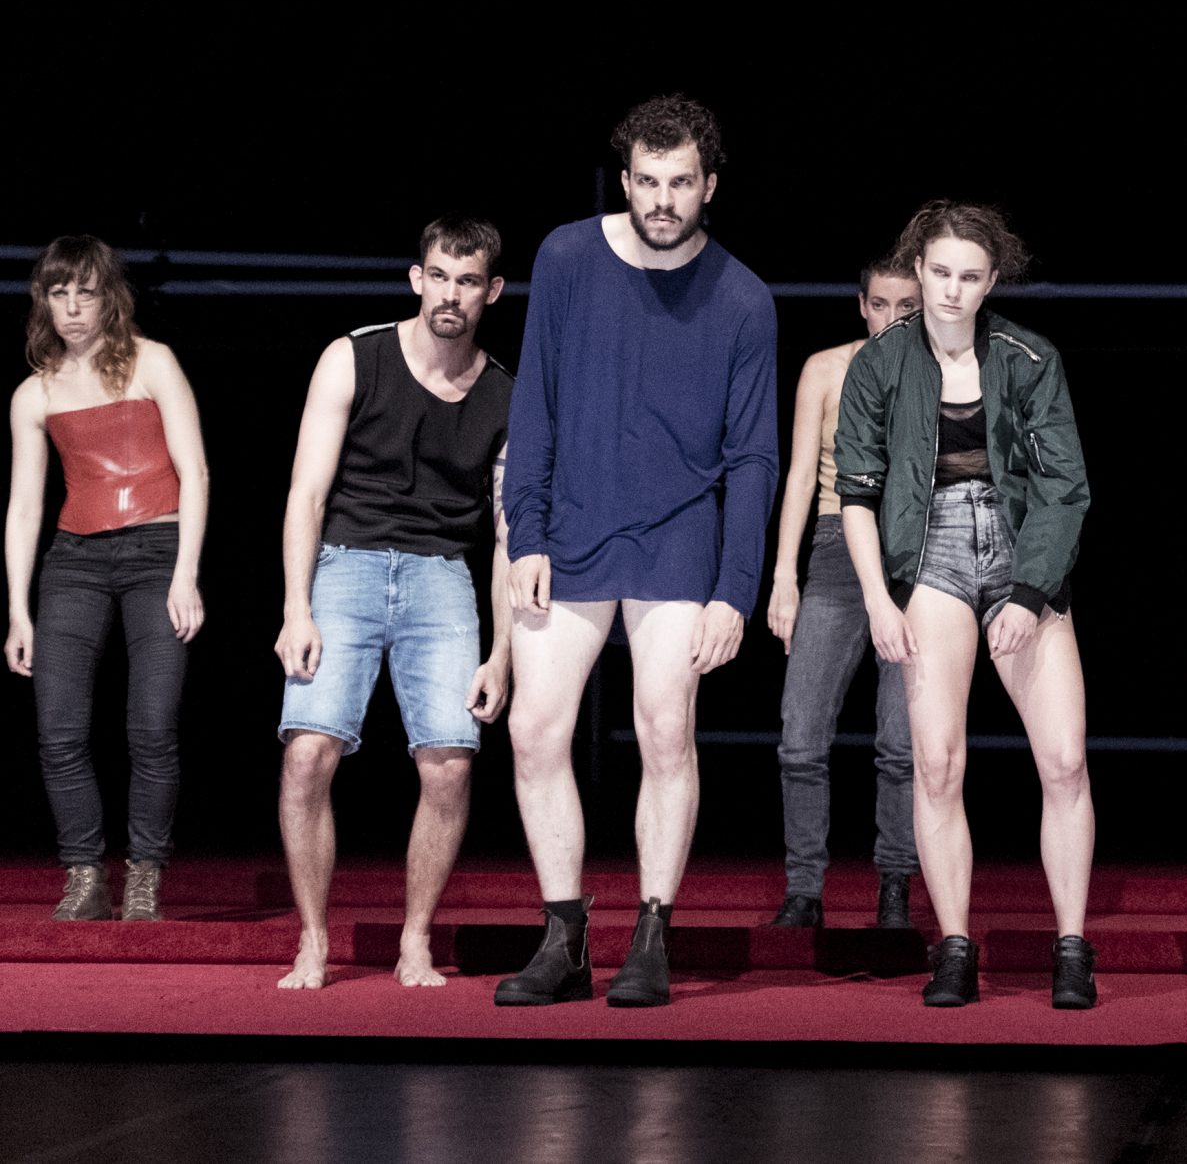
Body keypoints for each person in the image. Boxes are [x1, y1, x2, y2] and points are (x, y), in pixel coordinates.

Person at [495, 95, 779, 1008]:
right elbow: (534, 401)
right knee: (534, 729)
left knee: (665, 726)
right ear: (625, 179)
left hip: (678, 533)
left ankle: (653, 931)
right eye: (648, 181)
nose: (662, 199)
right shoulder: (566, 257)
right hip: (572, 524)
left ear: (710, 185)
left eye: (680, 182)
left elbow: (755, 456)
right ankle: (564, 934)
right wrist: (527, 531)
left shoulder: (744, 298)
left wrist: (737, 588)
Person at [836, 202, 1095, 1009]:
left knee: (1064, 757)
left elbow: (1065, 488)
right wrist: (878, 598)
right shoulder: (880, 362)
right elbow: (856, 492)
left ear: (991, 281)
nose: (951, 289)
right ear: (918, 270)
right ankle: (953, 945)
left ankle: (1071, 946)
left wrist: (1030, 592)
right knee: (939, 760)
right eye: (940, 272)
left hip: (1021, 544)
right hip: (929, 547)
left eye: (969, 276)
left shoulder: (1029, 357)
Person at [273, 219, 516, 989]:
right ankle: (313, 938)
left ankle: (416, 938)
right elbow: (307, 494)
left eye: (467, 281)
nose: (450, 294)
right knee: (306, 753)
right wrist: (296, 607)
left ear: (491, 291)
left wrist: (502, 651)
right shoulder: (354, 356)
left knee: (449, 763)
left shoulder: (506, 394)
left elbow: (510, 535)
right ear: (417, 278)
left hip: (442, 573)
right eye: (439, 276)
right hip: (345, 561)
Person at [6, 237, 209, 925]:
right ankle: (85, 875)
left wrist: (186, 573)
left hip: (157, 550)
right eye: (58, 293)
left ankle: (144, 875)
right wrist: (18, 610)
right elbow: (25, 505)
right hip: (75, 560)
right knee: (59, 730)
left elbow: (194, 471)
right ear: (44, 301)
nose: (71, 307)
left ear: (108, 297)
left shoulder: (154, 362)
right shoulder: (34, 393)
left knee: (151, 726)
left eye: (84, 292)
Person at [768, 256, 923, 931]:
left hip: (912, 554)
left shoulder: (942, 372)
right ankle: (804, 890)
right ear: (862, 305)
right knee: (800, 736)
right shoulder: (825, 369)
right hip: (834, 549)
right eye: (881, 304)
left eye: (906, 306)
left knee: (903, 742)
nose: (892, 318)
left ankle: (895, 886)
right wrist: (784, 576)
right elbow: (801, 474)